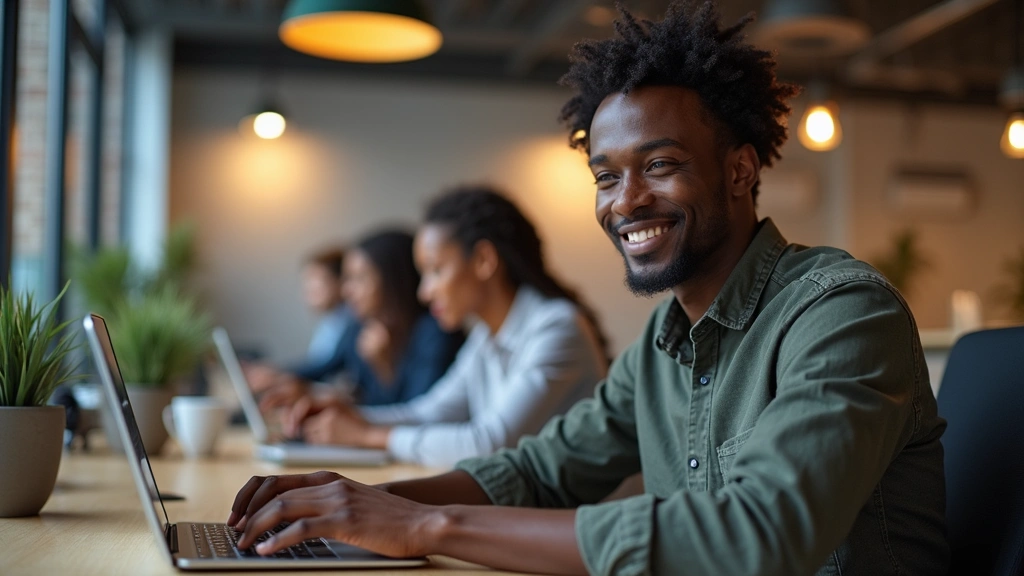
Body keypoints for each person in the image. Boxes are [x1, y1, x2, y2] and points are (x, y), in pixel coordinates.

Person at [226, 3, 949, 575]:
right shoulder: (662, 350)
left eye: (659, 164)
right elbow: (536, 471)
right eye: (606, 176)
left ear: (737, 171)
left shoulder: (842, 314)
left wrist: (425, 526)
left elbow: (756, 536)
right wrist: (351, 505)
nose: (625, 201)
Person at [281, 186, 610, 468]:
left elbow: (489, 443)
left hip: (586, 529)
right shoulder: (487, 334)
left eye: (436, 271)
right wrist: (355, 415)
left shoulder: (556, 327)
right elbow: (430, 411)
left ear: (483, 260)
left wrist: (366, 435)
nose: (425, 292)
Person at [262, 230, 464, 409]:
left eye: (360, 279)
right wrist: (274, 376)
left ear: (393, 280)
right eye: (348, 278)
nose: (346, 290)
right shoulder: (358, 328)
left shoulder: (436, 333)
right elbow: (322, 366)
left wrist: (385, 368)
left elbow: (416, 416)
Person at [242, 248, 357, 394]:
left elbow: (325, 367)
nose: (307, 290)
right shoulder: (329, 322)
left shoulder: (352, 322)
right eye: (306, 282)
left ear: (340, 282)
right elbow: (315, 365)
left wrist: (278, 374)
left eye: (314, 281)